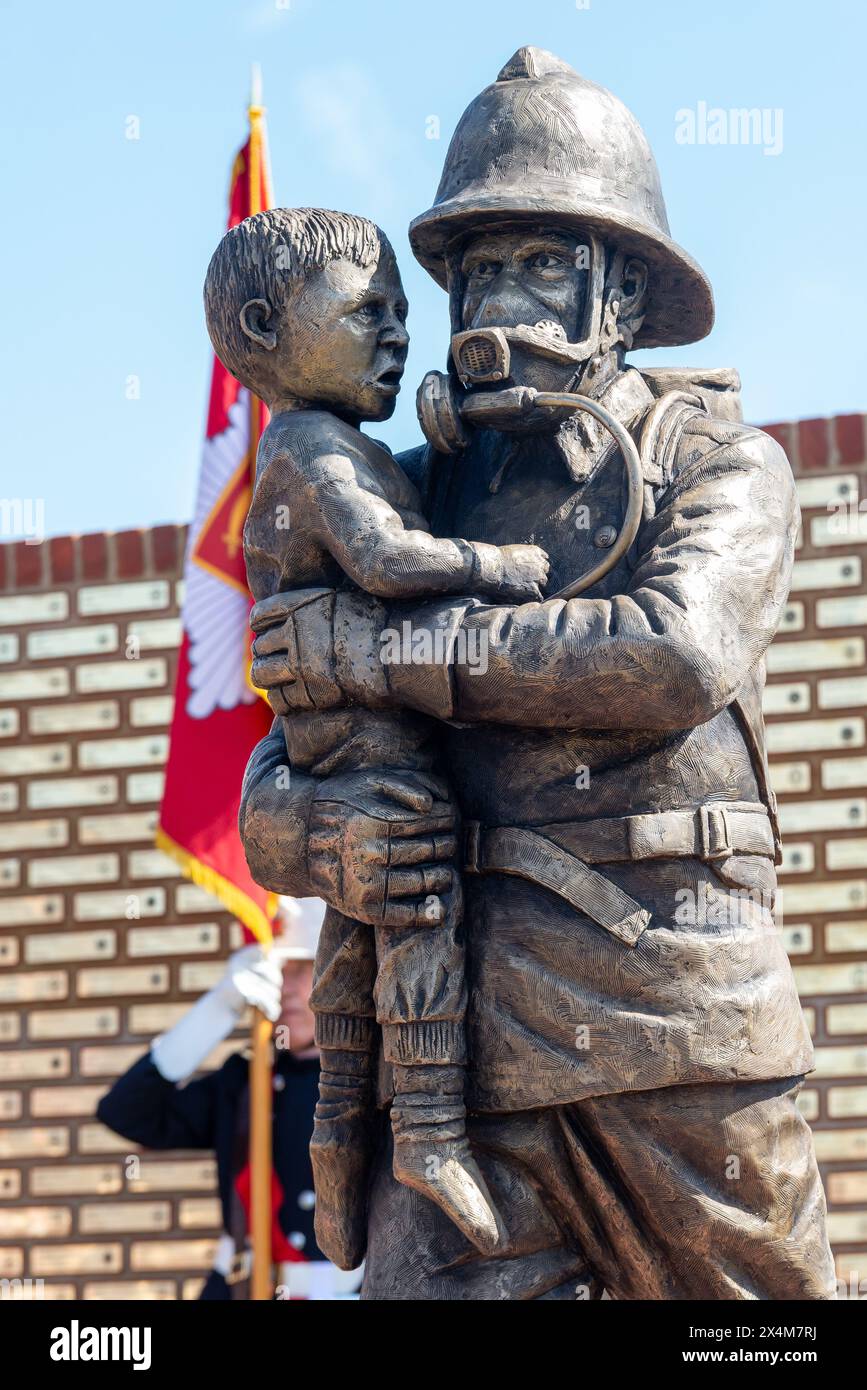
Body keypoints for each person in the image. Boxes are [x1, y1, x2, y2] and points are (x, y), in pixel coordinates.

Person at [238, 48, 835, 1301]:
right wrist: (320, 830)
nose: (499, 299)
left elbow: (666, 651)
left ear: (620, 290)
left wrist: (389, 653)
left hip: (678, 1031)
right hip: (457, 1069)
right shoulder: (398, 494)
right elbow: (283, 769)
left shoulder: (717, 468)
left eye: (543, 264)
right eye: (477, 268)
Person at [203, 206, 548, 1262]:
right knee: (416, 895)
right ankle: (432, 1133)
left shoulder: (327, 446)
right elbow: (391, 556)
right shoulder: (307, 448)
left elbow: (382, 495)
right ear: (267, 327)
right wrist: (497, 569)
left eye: (403, 312)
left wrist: (436, 440)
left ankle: (341, 1138)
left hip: (346, 733)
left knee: (358, 941)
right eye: (367, 313)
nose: (399, 333)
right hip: (365, 747)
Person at [96, 897, 360, 1300]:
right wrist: (218, 1008)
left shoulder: (373, 1085)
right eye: (277, 972)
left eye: (302, 970)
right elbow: (126, 1113)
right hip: (240, 1289)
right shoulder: (243, 1082)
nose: (285, 987)